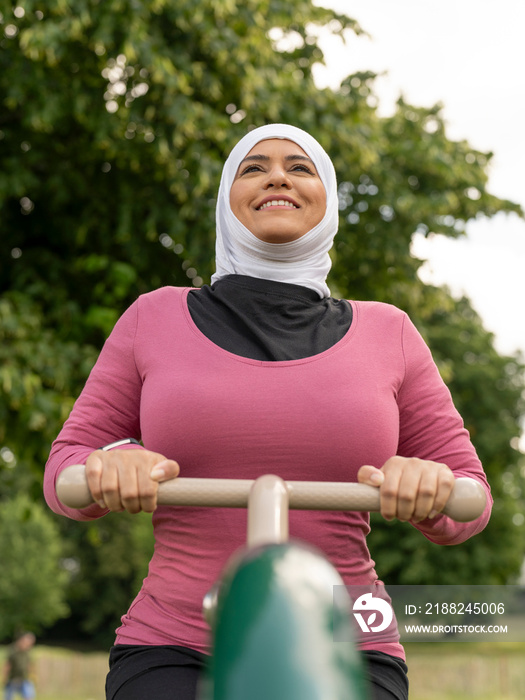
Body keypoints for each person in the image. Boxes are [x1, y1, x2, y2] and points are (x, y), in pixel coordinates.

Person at [44, 123, 492, 700]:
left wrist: (430, 487)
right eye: (252, 167)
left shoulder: (392, 332)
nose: (277, 174)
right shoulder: (151, 318)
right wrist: (113, 461)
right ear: (227, 202)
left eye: (300, 167)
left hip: (348, 634)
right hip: (174, 643)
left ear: (327, 198)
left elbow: (470, 495)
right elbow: (66, 466)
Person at [4, 632, 36, 700]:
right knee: (8, 697)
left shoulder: (27, 652)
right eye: (28, 642)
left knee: (29, 695)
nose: (29, 645)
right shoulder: (13, 650)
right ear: (22, 640)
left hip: (25, 678)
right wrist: (5, 677)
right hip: (13, 678)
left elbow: (29, 664)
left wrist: (32, 675)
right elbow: (8, 665)